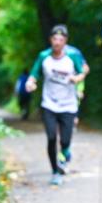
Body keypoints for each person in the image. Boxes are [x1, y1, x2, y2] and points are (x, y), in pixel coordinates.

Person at [26, 25, 89, 185]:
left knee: (65, 141)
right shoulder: (44, 56)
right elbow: (34, 74)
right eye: (54, 39)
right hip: (49, 104)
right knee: (51, 137)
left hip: (68, 105)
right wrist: (30, 83)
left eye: (61, 39)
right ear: (50, 40)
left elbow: (83, 71)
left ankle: (65, 152)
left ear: (65, 41)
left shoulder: (73, 55)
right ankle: (55, 171)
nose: (57, 42)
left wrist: (77, 79)